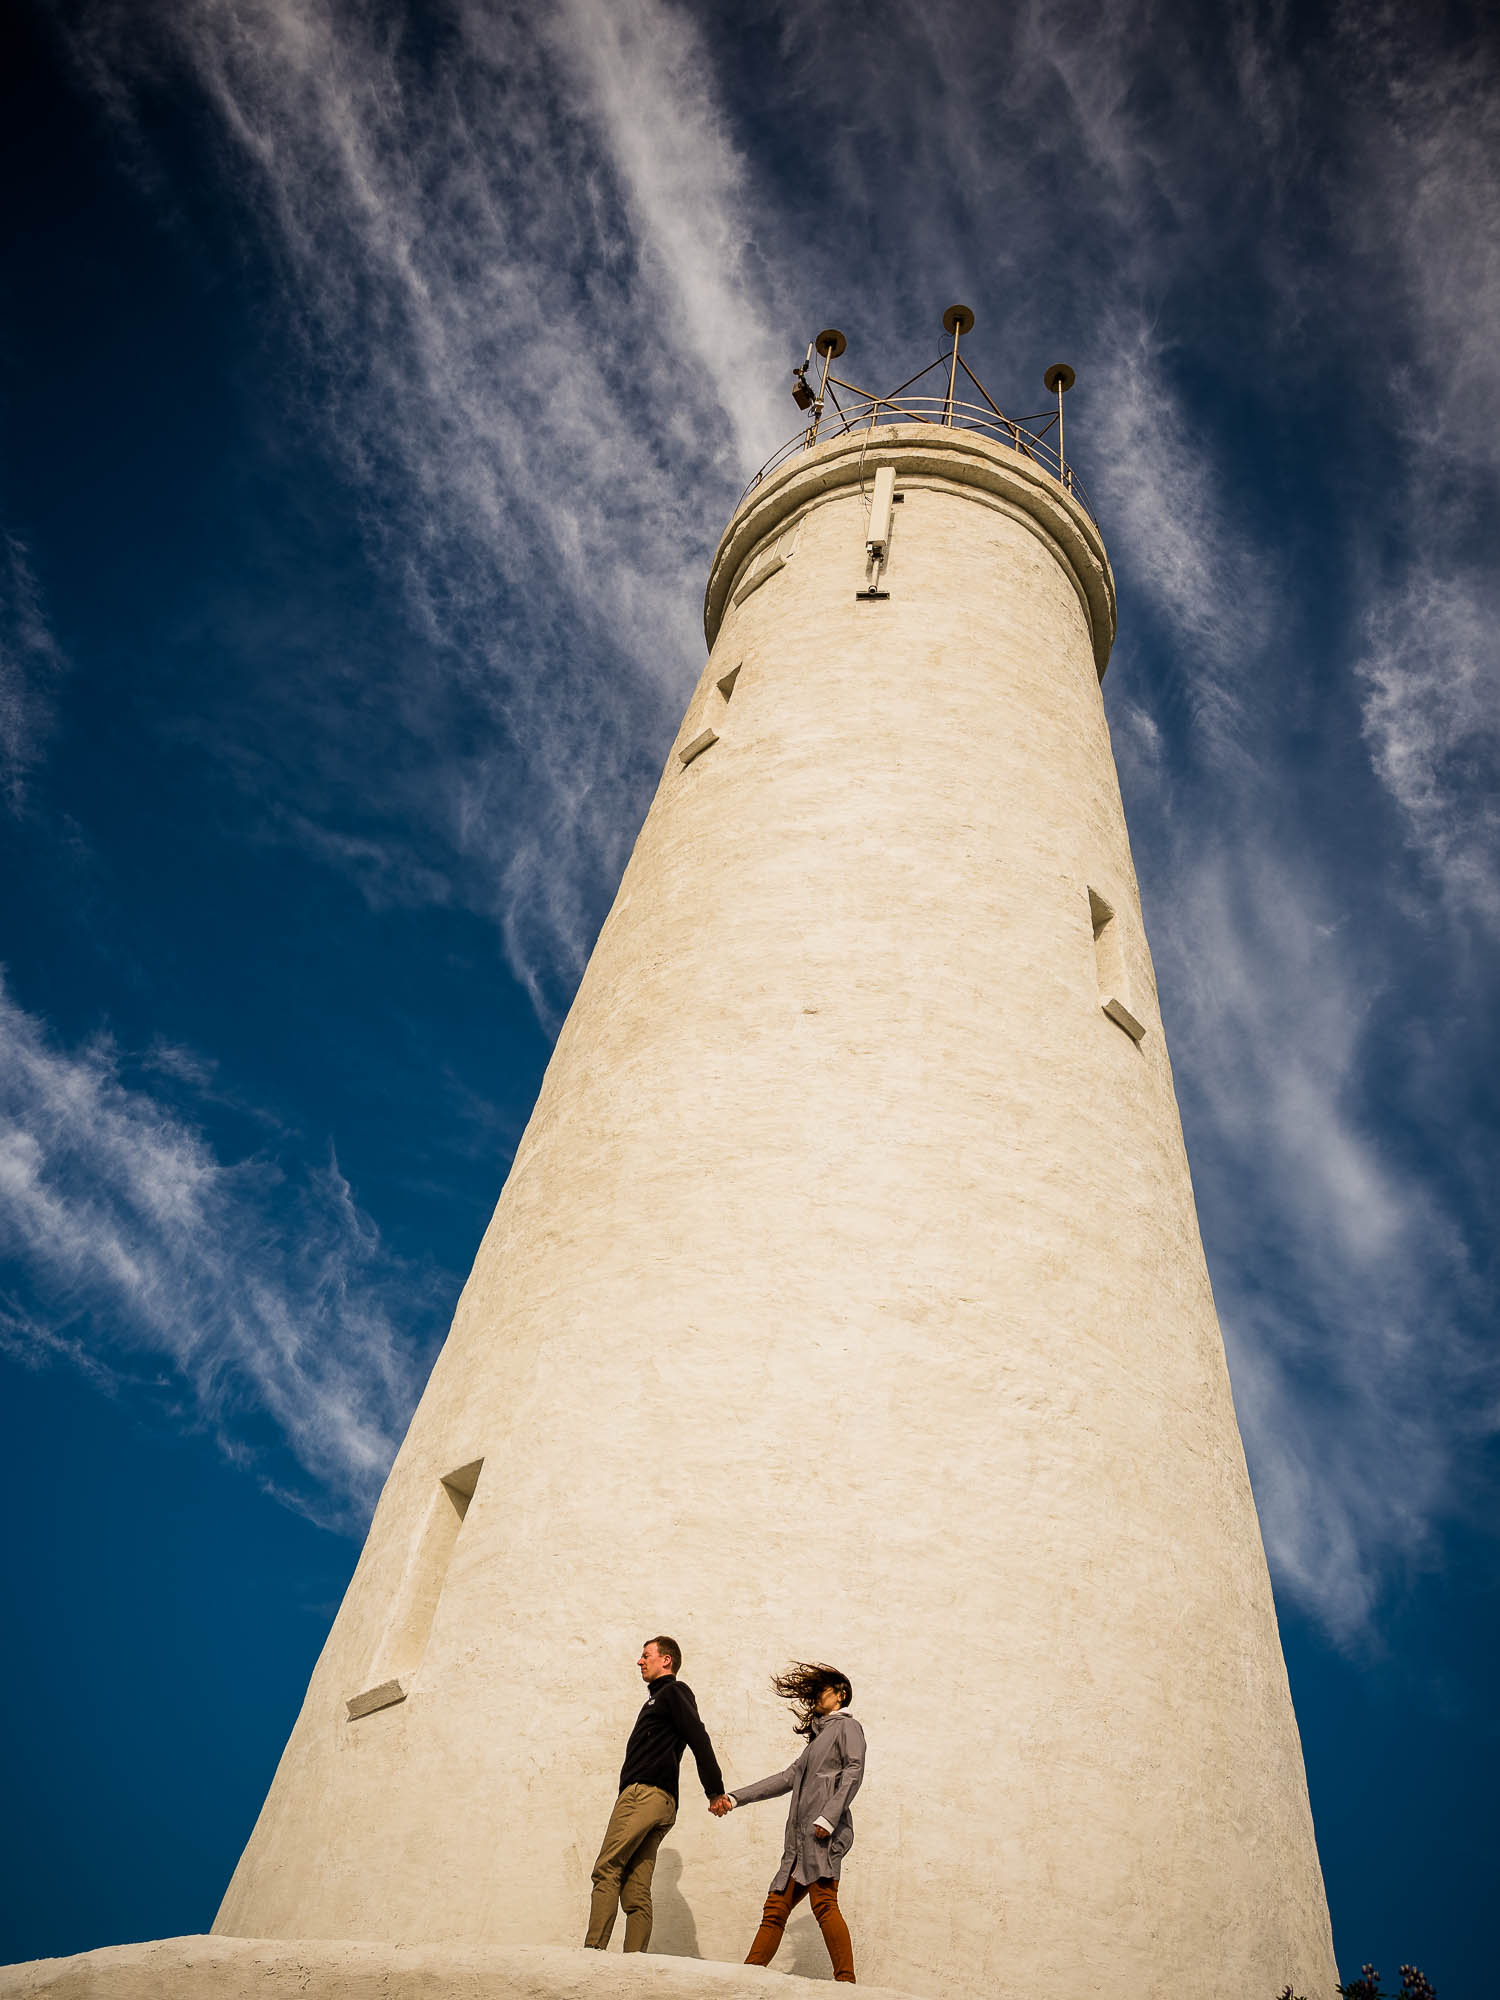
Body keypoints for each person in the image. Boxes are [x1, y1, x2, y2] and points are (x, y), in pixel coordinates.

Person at [710, 1662, 865, 1984]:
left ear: (841, 1694)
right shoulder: (816, 1742)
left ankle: (847, 1984)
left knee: (824, 1903)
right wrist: (735, 1798)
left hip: (822, 1834)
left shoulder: (848, 1727)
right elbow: (786, 1778)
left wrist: (829, 1817)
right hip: (799, 1841)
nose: (816, 1697)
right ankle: (747, 1977)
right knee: (775, 1909)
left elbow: (854, 1771)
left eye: (822, 1690)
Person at [584, 1635, 732, 1954]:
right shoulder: (659, 1699)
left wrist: (714, 1790)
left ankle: (592, 1954)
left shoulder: (673, 1692)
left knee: (606, 1868)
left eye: (646, 1655)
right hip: (660, 1802)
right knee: (635, 1887)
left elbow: (699, 1737)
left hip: (644, 1795)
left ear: (666, 1660)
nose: (640, 1661)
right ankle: (635, 1964)